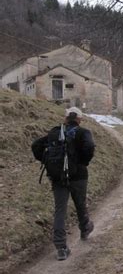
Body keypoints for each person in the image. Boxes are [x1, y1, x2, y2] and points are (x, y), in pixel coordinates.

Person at [32, 107, 95, 261]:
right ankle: (85, 228)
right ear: (79, 119)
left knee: (60, 210)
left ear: (66, 118)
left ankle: (61, 247)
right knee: (80, 204)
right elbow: (90, 147)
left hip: (58, 177)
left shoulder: (55, 132)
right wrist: (83, 162)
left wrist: (47, 162)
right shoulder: (83, 132)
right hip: (79, 176)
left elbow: (35, 146)